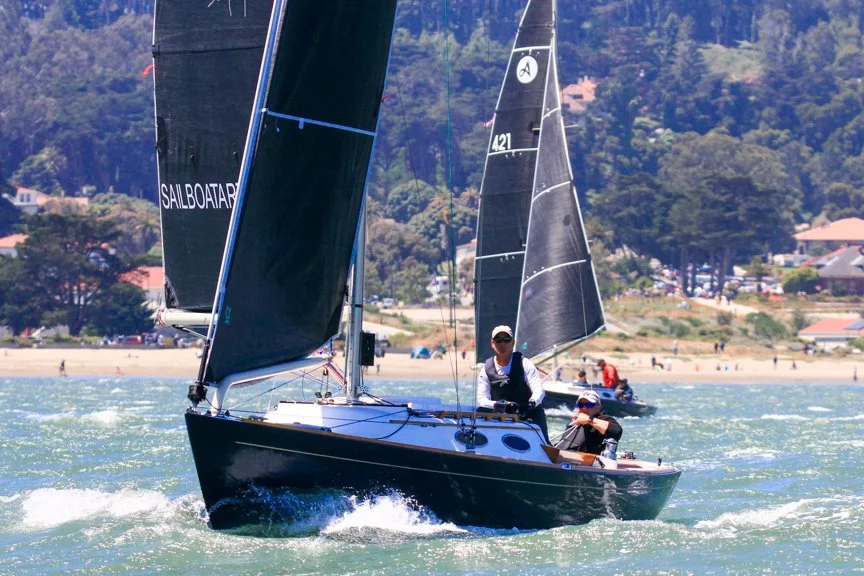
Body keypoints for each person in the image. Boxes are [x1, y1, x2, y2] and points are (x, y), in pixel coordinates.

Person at [476, 325, 548, 442]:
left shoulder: (525, 364)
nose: (502, 344)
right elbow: (481, 400)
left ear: (513, 342)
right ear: (492, 344)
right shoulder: (486, 369)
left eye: (506, 340)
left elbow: (539, 390)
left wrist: (531, 403)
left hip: (528, 413)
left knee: (545, 445)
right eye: (498, 340)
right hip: (501, 416)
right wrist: (499, 405)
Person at [555, 390, 622, 454]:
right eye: (581, 405)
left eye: (589, 405)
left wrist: (589, 420)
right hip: (562, 457)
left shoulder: (603, 419)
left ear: (598, 406)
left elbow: (617, 431)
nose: (584, 408)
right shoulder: (574, 423)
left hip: (587, 462)